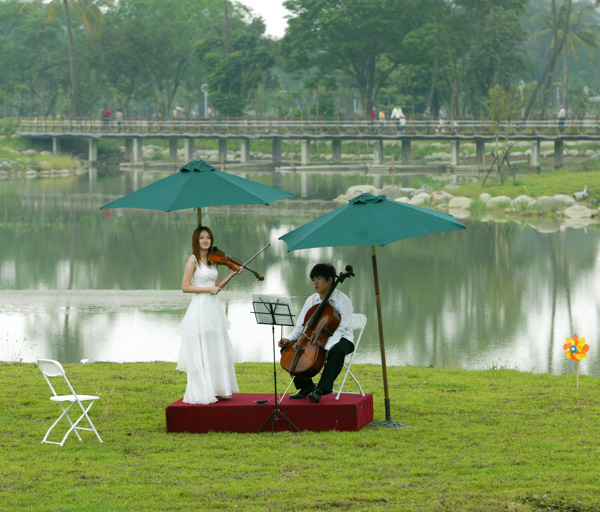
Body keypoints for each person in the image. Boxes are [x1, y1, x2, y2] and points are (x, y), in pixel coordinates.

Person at [176, 226, 243, 404]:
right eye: (202, 238)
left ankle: (218, 387)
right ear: (196, 241)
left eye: (208, 238)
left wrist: (233, 273)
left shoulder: (214, 262)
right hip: (199, 308)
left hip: (214, 308)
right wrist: (208, 289)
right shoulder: (193, 260)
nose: (205, 241)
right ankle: (204, 388)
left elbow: (218, 286)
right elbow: (185, 287)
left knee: (215, 346)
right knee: (202, 346)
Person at [278, 263, 354, 404]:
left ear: (330, 280)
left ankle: (321, 390)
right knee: (288, 350)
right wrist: (289, 339)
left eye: (318, 279)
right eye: (313, 279)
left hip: (342, 338)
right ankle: (306, 387)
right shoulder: (311, 300)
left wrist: (327, 348)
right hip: (316, 338)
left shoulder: (343, 301)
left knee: (337, 350)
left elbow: (341, 328)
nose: (315, 283)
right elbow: (301, 326)